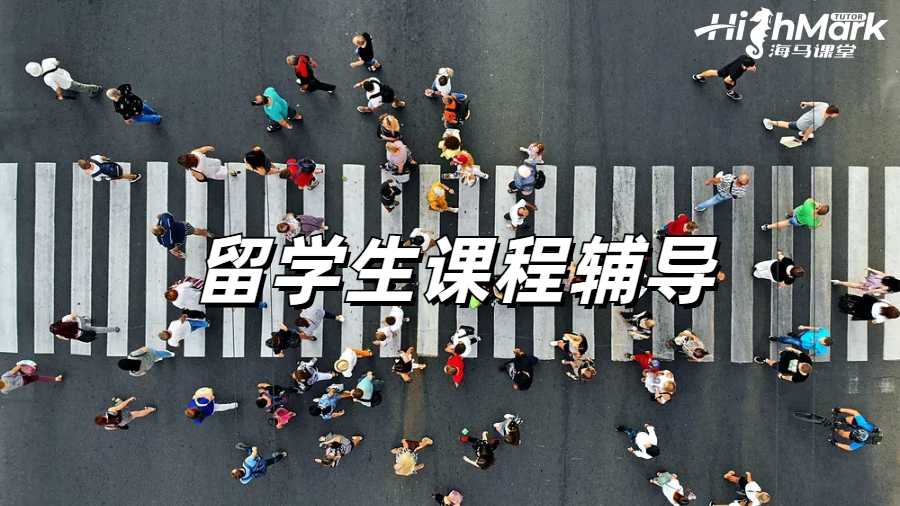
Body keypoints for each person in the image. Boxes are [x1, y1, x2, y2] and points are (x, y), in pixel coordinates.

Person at [763, 102, 840, 143]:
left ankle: (802, 133)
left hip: (806, 118)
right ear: (831, 113)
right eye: (836, 114)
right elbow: (810, 129)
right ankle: (769, 122)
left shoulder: (825, 105)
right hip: (801, 125)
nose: (836, 116)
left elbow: (813, 103)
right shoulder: (820, 121)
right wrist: (805, 138)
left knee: (808, 125)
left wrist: (806, 103)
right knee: (787, 124)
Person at [26, 57, 100, 100]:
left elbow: (57, 88)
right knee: (76, 85)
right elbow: (57, 62)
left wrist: (60, 95)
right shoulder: (45, 61)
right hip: (64, 74)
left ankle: (96, 89)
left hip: (67, 84)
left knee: (80, 87)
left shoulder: (47, 79)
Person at [692, 54, 757, 100]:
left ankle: (698, 76)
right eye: (752, 66)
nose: (754, 67)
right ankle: (730, 92)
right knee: (731, 84)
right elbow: (726, 80)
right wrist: (732, 83)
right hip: (730, 75)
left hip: (728, 68)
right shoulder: (737, 73)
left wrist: (751, 67)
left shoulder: (744, 57)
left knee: (715, 72)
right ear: (746, 67)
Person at [760, 198, 829, 231]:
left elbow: (809, 199)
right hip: (797, 221)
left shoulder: (808, 206)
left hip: (797, 212)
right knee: (785, 223)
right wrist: (820, 223)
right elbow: (812, 227)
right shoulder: (814, 221)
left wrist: (816, 203)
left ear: (819, 207)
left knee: (792, 212)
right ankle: (767, 227)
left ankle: (788, 215)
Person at [50, 313, 119, 343]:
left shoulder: (58, 335)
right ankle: (87, 320)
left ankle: (114, 329)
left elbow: (67, 339)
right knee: (79, 318)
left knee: (96, 329)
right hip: (80, 323)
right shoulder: (63, 320)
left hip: (80, 333)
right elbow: (74, 315)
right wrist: (76, 318)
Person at [832, 267, 900, 297]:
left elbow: (881, 273)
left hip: (874, 280)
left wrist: (870, 269)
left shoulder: (892, 278)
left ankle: (838, 282)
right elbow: (877, 291)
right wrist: (867, 292)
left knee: (859, 284)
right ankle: (839, 282)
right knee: (856, 285)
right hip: (872, 286)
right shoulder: (889, 289)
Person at [78, 155, 142, 183]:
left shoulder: (94, 175)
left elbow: (99, 180)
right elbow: (103, 157)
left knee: (121, 176)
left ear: (84, 169)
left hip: (112, 174)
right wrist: (107, 159)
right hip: (113, 165)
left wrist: (89, 174)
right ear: (86, 161)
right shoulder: (93, 158)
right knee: (118, 169)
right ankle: (133, 176)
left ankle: (134, 177)